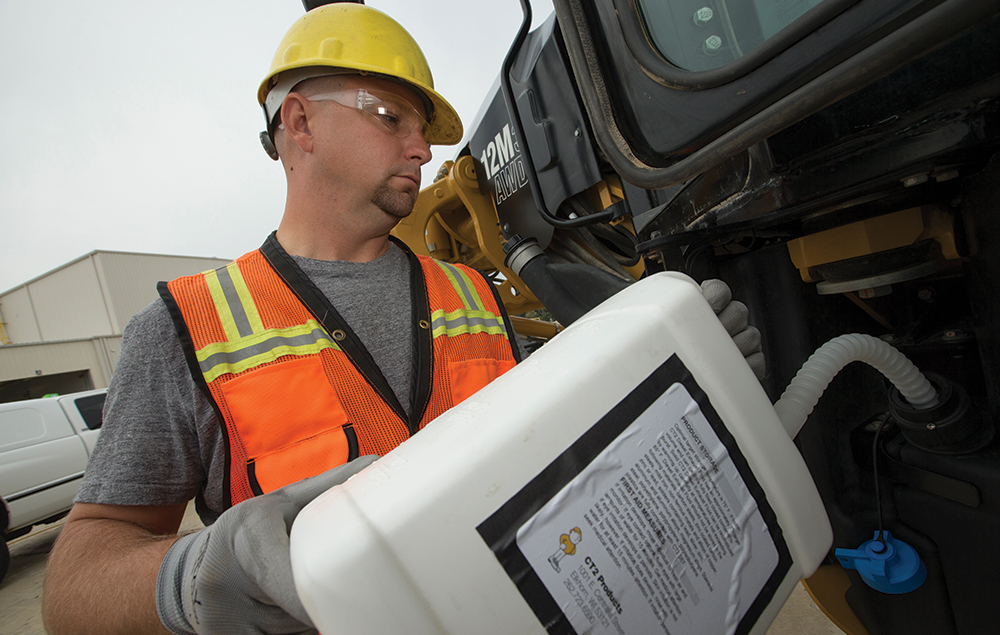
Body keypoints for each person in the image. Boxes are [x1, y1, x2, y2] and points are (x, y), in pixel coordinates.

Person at [42, 5, 761, 635]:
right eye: (391, 118)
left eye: (422, 129)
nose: (423, 148)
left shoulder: (475, 293)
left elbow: (558, 466)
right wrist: (195, 574)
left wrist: (680, 379)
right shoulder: (186, 326)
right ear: (299, 122)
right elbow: (72, 589)